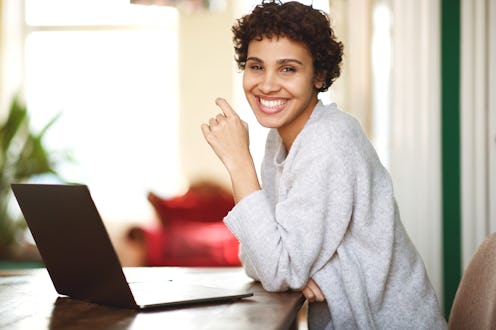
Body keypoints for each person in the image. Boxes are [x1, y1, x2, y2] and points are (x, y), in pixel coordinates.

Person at [201, 1, 447, 329]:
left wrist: (238, 161)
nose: (267, 84)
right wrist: (291, 271)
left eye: (288, 68)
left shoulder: (329, 140)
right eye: (256, 66)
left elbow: (276, 267)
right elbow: (258, 256)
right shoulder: (281, 138)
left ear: (319, 75)